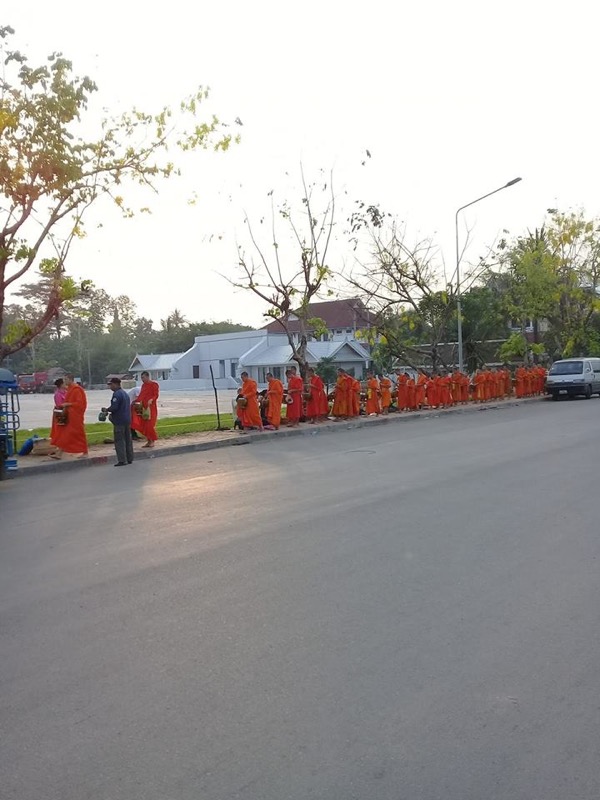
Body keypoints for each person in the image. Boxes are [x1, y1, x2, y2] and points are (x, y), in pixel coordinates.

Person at [50, 374, 88, 459]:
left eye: (66, 379)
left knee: (77, 434)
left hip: (74, 415)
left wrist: (68, 404)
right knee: (64, 433)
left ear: (71, 379)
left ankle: (84, 451)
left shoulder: (76, 389)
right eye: (64, 380)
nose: (65, 381)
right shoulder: (67, 391)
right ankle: (59, 452)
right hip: (66, 414)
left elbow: (80, 403)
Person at [102, 378, 134, 466]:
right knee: (128, 440)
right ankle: (130, 458)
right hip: (127, 419)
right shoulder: (125, 394)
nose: (110, 387)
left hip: (119, 421)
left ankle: (122, 460)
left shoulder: (116, 394)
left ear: (116, 384)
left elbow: (114, 407)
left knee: (119, 440)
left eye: (111, 384)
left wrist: (107, 410)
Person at [131, 370, 159, 447]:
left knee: (150, 425)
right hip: (143, 407)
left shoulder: (154, 384)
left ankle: (152, 441)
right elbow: (141, 396)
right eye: (141, 378)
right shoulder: (143, 386)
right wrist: (135, 401)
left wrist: (152, 400)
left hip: (151, 407)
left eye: (143, 377)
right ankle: (149, 441)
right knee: (144, 425)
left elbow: (156, 395)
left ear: (147, 376)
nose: (142, 379)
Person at [50, 378, 67, 444]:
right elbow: (59, 404)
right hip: (60, 412)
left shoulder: (66, 392)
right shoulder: (57, 394)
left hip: (66, 411)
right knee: (60, 428)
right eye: (64, 383)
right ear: (61, 385)